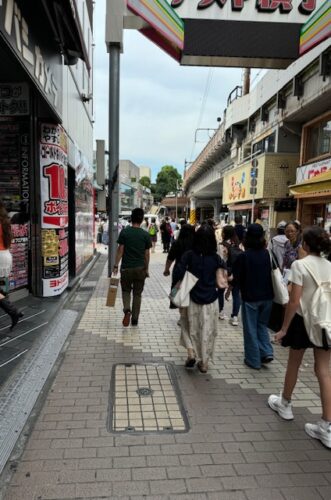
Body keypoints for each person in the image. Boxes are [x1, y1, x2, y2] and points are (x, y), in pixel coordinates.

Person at [268, 226, 331, 448]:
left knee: (294, 363)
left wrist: (284, 328)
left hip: (302, 322)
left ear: (305, 244)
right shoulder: (330, 266)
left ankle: (285, 403)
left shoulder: (299, 266)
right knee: (324, 371)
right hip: (325, 323)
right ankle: (326, 425)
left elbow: (293, 301)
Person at [176, 225, 226, 373]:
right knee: (208, 331)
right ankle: (204, 363)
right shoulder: (216, 258)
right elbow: (225, 276)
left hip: (191, 299)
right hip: (211, 301)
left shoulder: (189, 255)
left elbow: (178, 272)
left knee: (187, 326)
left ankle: (191, 352)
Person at [233, 223, 274, 370]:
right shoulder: (266, 254)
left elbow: (237, 278)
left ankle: (253, 360)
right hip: (268, 296)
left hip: (251, 298)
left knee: (250, 328)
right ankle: (266, 352)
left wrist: (229, 289)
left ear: (247, 238)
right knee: (261, 325)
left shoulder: (244, 256)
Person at [113, 208, 152, 327]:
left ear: (131, 218)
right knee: (137, 294)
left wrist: (115, 265)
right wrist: (147, 268)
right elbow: (147, 254)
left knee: (126, 291)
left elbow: (120, 250)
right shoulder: (145, 234)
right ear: (141, 220)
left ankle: (127, 310)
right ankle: (135, 319)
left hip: (126, 268)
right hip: (140, 268)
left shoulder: (125, 232)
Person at [0, 201, 23, 332]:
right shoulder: (6, 224)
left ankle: (13, 312)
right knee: (2, 289)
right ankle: (14, 312)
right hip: (6, 256)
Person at [163, 223, 195, 317]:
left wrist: (166, 270)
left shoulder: (177, 243)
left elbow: (170, 258)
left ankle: (182, 315)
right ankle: (188, 314)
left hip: (179, 270)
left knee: (178, 292)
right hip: (193, 271)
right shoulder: (196, 244)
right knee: (191, 292)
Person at [218, 225, 242, 326]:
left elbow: (220, 259)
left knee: (220, 292)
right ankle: (235, 317)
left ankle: (221, 312)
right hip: (236, 271)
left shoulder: (221, 245)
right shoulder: (239, 244)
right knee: (236, 294)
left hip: (224, 271)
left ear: (224, 233)